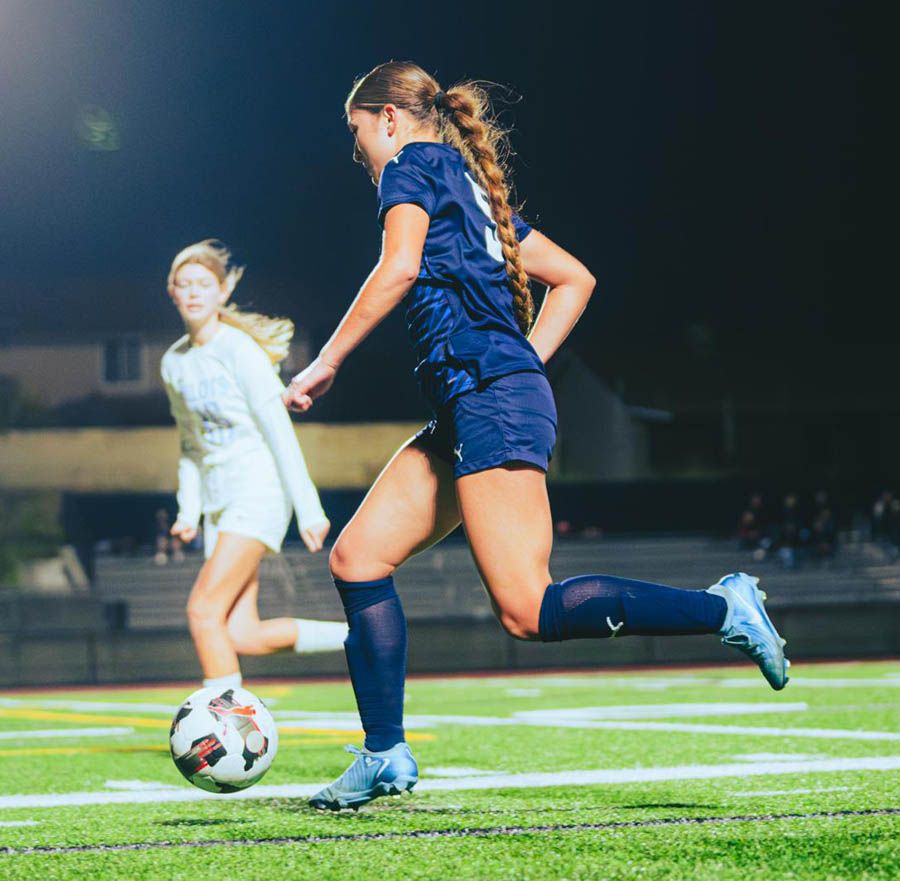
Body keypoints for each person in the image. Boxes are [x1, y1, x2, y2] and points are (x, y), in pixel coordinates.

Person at [282, 62, 790, 811]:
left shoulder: (411, 166)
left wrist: (325, 361)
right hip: (476, 399)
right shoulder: (466, 185)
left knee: (528, 610)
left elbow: (399, 268)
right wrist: (524, 360)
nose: (358, 149)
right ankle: (385, 754)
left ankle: (725, 608)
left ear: (387, 118)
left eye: (357, 132)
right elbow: (575, 278)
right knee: (358, 559)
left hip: (490, 399)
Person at [162, 240, 347, 692]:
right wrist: (188, 511)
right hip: (219, 506)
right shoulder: (173, 363)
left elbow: (279, 431)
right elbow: (189, 444)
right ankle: (361, 635)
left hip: (257, 492)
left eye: (203, 283)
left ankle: (223, 721)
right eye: (184, 284)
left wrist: (309, 509)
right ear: (172, 292)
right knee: (242, 633)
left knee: (203, 611)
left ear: (222, 292)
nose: (193, 292)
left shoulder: (239, 350)